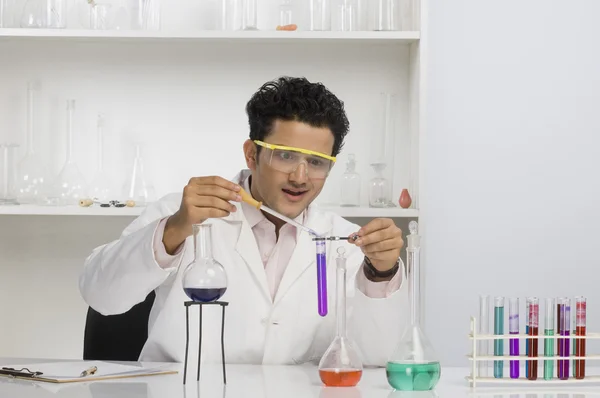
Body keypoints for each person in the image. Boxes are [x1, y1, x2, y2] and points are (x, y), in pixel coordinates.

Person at [79, 76, 408, 368]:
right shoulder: (185, 213)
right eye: (285, 155)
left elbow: (381, 358)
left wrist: (382, 273)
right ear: (252, 154)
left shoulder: (347, 241)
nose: (300, 176)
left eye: (317, 162)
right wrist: (176, 228)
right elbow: (101, 295)